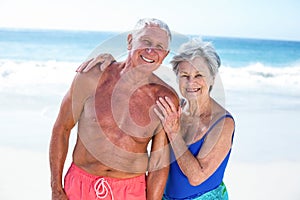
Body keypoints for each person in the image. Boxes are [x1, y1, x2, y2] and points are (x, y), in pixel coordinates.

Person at [49, 18, 179, 200]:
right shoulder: (91, 76)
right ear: (130, 41)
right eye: (146, 42)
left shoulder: (164, 98)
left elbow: (159, 162)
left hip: (130, 191)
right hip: (80, 185)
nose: (151, 51)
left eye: (159, 46)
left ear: (165, 55)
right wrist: (56, 187)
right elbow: (61, 128)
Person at [154, 39, 235, 199]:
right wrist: (110, 65)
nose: (191, 82)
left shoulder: (223, 122)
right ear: (177, 78)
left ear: (212, 78)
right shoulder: (174, 110)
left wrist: (173, 133)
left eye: (199, 75)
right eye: (185, 75)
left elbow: (197, 177)